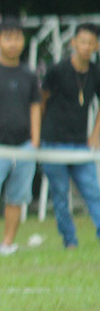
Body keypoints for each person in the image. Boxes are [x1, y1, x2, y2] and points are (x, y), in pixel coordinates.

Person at [0, 18, 42, 254]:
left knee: (18, 196)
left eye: (17, 38)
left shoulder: (29, 74)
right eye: (8, 38)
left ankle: (8, 241)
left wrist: (35, 140)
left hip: (23, 145)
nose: (13, 43)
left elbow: (35, 106)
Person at [39, 23, 100, 248]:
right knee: (60, 195)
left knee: (93, 191)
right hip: (53, 141)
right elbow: (42, 99)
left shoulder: (95, 72)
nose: (85, 47)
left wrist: (95, 134)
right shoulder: (57, 70)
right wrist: (39, 132)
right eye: (81, 41)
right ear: (73, 42)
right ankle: (69, 240)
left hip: (79, 143)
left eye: (90, 42)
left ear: (96, 46)